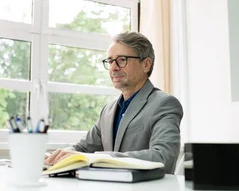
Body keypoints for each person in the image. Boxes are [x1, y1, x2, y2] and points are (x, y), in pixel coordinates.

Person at [44, 31, 184, 174]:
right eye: (110, 61)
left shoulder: (164, 104)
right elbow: (82, 149)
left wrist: (96, 158)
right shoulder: (108, 110)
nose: (113, 68)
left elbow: (163, 157)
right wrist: (57, 157)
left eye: (122, 60)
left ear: (146, 64)